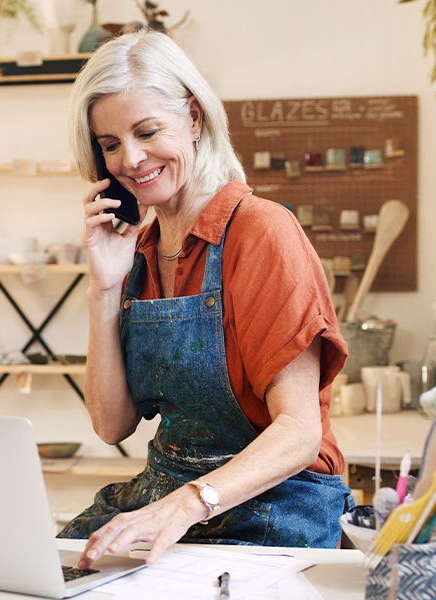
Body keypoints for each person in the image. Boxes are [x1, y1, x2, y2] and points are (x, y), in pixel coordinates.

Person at [58, 30, 354, 569]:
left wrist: (190, 503)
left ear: (193, 119)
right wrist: (104, 286)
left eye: (147, 131)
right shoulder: (137, 249)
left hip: (274, 502)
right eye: (109, 145)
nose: (131, 158)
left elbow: (299, 433)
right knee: (52, 569)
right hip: (168, 491)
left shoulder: (262, 233)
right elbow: (111, 425)